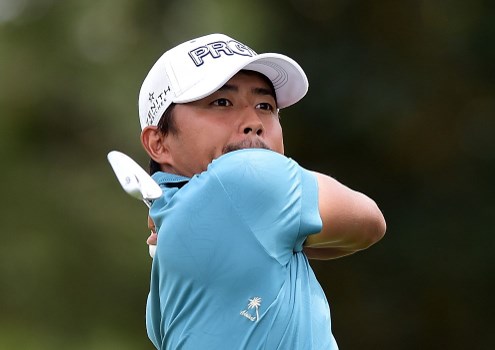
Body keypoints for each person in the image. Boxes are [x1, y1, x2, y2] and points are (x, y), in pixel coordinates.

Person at [137, 33, 386, 349]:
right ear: (158, 142)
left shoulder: (163, 276)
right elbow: (369, 222)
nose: (253, 122)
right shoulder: (248, 175)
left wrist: (263, 231)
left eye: (265, 105)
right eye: (221, 102)